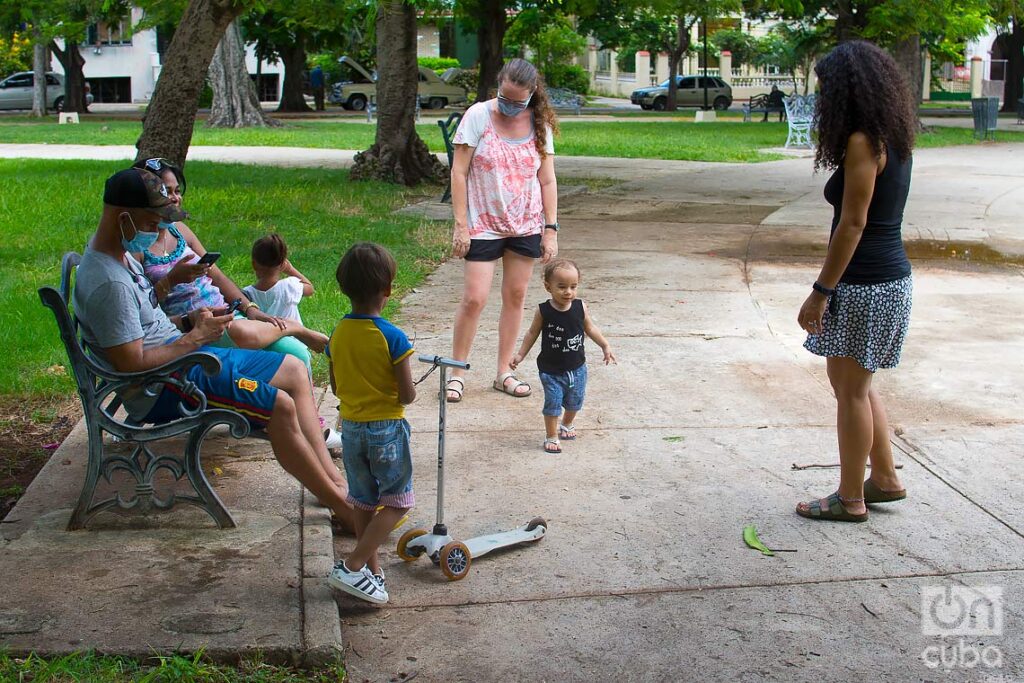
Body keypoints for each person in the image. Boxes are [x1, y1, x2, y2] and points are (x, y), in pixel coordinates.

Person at [74, 167, 355, 535]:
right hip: (165, 384)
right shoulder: (109, 281)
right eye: (151, 220)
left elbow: (147, 327)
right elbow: (133, 363)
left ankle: (333, 482)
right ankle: (343, 508)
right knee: (279, 405)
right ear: (123, 217)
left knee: (293, 369)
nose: (156, 227)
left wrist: (192, 320)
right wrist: (195, 339)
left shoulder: (122, 258)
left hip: (183, 360)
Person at [795, 41, 915, 523]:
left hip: (865, 284)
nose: (823, 99)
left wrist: (821, 291)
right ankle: (884, 479)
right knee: (856, 384)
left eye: (827, 90)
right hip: (886, 281)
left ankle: (849, 498)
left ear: (849, 90)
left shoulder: (865, 141)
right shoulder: (896, 135)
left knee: (851, 390)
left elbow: (853, 224)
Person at [129, 158, 326, 375]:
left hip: (226, 313)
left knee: (297, 353)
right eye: (168, 192)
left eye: (177, 190)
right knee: (246, 336)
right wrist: (171, 280)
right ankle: (293, 328)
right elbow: (143, 309)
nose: (176, 198)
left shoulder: (181, 231)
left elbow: (218, 277)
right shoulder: (136, 246)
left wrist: (250, 309)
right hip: (192, 328)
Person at [446, 57, 559, 404]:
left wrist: (550, 229)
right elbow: (459, 172)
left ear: (532, 93)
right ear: (498, 87)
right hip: (483, 224)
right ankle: (457, 372)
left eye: (518, 101)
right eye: (505, 98)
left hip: (525, 224)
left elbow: (547, 178)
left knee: (515, 297)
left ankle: (504, 372)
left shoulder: (540, 125)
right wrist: (461, 225)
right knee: (474, 298)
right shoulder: (478, 116)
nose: (510, 106)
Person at [326, 243, 416, 605]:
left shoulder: (338, 333)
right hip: (386, 429)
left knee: (363, 501)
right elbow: (407, 395)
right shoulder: (393, 337)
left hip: (351, 428)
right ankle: (353, 563)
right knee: (398, 501)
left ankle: (371, 574)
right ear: (388, 289)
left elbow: (334, 386)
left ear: (344, 288)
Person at [510, 259, 616, 454]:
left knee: (575, 401)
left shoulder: (580, 307)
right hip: (550, 370)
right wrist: (520, 354)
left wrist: (605, 345)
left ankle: (567, 424)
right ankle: (551, 436)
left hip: (577, 368)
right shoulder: (544, 311)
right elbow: (532, 333)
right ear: (547, 287)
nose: (568, 292)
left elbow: (590, 328)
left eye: (573, 286)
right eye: (561, 287)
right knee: (553, 402)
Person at [243, 233, 314, 324]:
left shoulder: (247, 294)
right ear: (283, 264)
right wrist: (290, 269)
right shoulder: (289, 286)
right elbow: (310, 289)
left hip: (262, 337)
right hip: (292, 337)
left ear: (254, 264)